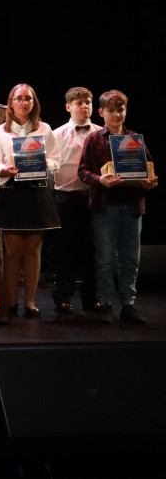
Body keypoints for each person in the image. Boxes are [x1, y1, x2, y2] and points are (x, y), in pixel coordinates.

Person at [78, 90, 157, 324]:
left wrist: (150, 182)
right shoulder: (94, 139)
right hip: (105, 207)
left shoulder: (134, 139)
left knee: (130, 259)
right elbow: (83, 171)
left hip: (132, 207)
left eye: (120, 109)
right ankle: (104, 303)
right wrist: (100, 180)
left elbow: (149, 169)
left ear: (126, 111)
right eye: (111, 110)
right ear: (101, 112)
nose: (117, 114)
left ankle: (128, 305)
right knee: (104, 260)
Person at [0, 84, 61, 318]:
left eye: (28, 99)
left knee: (33, 249)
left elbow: (56, 159)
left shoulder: (44, 128)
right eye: (19, 99)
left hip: (36, 192)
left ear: (34, 102)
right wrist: (4, 168)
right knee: (12, 251)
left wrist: (46, 164)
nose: (24, 102)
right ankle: (11, 301)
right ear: (10, 103)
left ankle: (30, 301)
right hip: (12, 192)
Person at [49, 87, 99, 313]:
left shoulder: (101, 132)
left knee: (93, 250)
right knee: (64, 250)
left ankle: (92, 297)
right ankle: (63, 297)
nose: (85, 106)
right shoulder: (57, 134)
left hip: (94, 198)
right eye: (79, 103)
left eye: (88, 102)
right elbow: (50, 168)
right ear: (68, 107)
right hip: (66, 198)